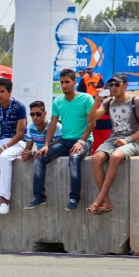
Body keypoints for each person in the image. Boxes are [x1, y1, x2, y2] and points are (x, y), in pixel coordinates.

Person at [26, 69, 93, 212]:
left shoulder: (86, 99)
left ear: (75, 82)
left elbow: (92, 123)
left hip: (84, 141)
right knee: (40, 156)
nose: (64, 85)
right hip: (65, 141)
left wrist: (81, 141)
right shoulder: (58, 102)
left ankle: (74, 198)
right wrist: (45, 145)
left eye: (67, 82)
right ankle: (39, 197)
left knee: (74, 158)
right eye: (62, 82)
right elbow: (52, 124)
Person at [87, 73, 139, 215]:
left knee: (115, 157)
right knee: (96, 158)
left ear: (125, 85)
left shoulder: (135, 100)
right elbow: (91, 119)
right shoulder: (108, 102)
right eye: (111, 85)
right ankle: (107, 202)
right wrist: (96, 101)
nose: (113, 87)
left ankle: (99, 200)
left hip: (133, 140)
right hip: (114, 139)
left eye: (117, 84)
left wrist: (127, 140)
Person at [0, 77, 26, 215]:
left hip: (18, 142)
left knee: (4, 158)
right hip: (1, 140)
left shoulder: (19, 107)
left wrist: (2, 148)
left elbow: (20, 134)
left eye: (2, 91)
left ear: (10, 92)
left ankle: (4, 200)